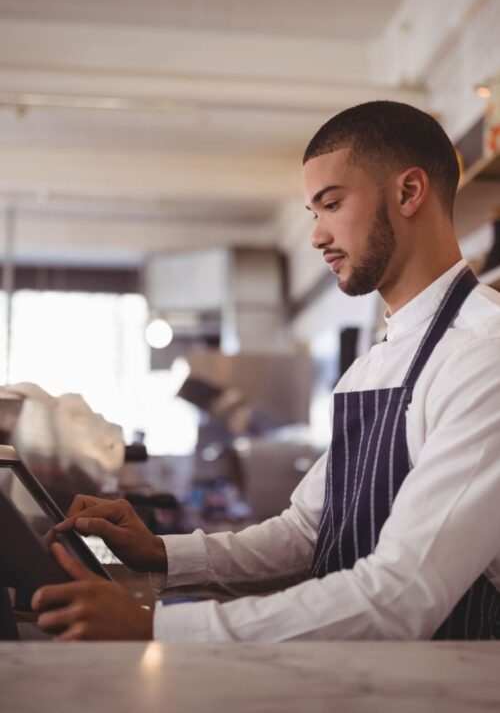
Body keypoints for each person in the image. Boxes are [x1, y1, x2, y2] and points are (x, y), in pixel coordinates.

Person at [32, 101, 500, 641]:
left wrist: (157, 630)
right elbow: (307, 532)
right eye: (314, 213)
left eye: (331, 204)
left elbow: (401, 593)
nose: (317, 237)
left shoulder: (483, 354)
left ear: (409, 191)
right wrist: (162, 552)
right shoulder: (372, 366)